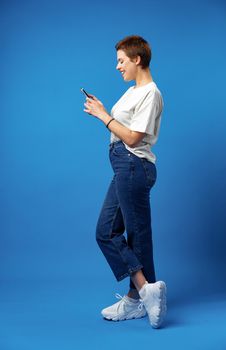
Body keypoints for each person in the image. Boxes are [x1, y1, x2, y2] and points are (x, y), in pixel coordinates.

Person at [83, 35, 167, 329]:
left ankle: (140, 295)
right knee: (107, 231)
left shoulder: (150, 92)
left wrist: (102, 116)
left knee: (137, 234)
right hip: (123, 166)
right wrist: (105, 110)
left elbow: (133, 137)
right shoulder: (133, 92)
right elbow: (123, 127)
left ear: (137, 59)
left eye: (121, 61)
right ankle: (143, 292)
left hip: (133, 164)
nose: (118, 67)